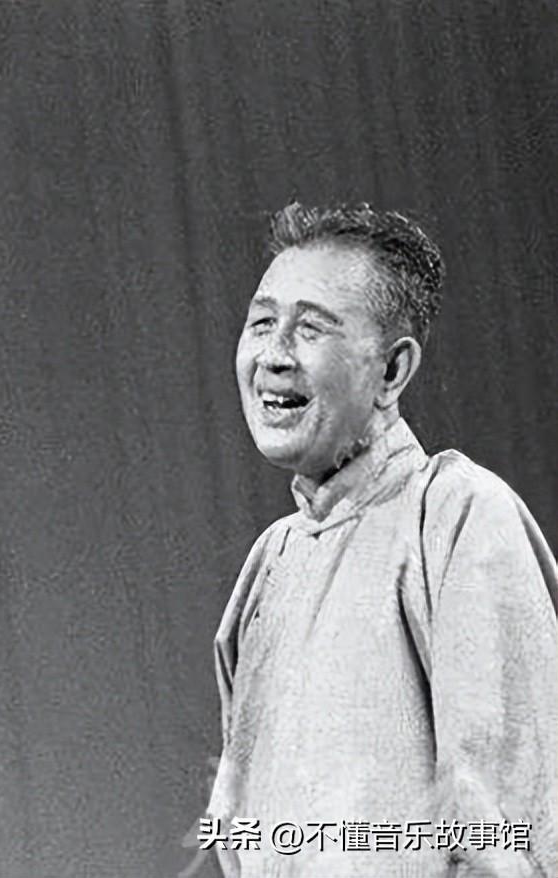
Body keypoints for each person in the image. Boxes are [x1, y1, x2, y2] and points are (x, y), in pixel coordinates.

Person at [206, 203, 557, 877]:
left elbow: (511, 827)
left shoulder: (456, 516)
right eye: (261, 323)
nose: (273, 355)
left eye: (310, 328)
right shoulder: (271, 563)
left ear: (392, 371)